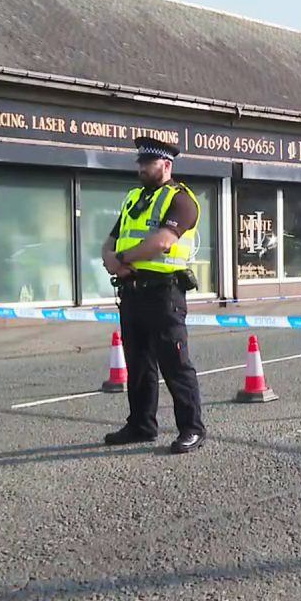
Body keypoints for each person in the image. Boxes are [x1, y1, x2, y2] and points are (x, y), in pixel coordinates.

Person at [101, 136, 206, 454]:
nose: (141, 168)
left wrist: (123, 260)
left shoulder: (182, 200)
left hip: (165, 294)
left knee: (175, 363)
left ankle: (192, 429)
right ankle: (141, 425)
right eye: (140, 163)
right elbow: (110, 240)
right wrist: (111, 261)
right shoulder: (133, 198)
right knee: (138, 363)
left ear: (166, 165)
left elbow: (163, 240)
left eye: (148, 163)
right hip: (132, 293)